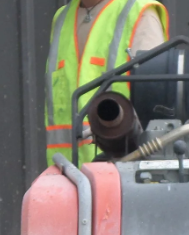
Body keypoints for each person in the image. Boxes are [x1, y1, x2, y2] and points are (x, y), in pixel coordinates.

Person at [45, 0, 169, 166]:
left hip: (122, 170)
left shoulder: (139, 13)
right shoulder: (61, 19)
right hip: (66, 172)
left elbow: (155, 103)